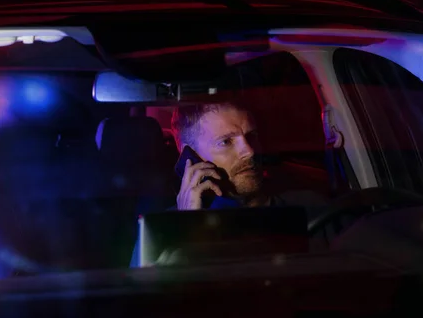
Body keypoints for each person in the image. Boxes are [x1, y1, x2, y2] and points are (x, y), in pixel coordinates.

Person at [129, 100, 328, 267]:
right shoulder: (160, 233)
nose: (249, 151)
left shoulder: (312, 208)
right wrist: (187, 229)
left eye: (252, 136)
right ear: (191, 158)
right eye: (226, 142)